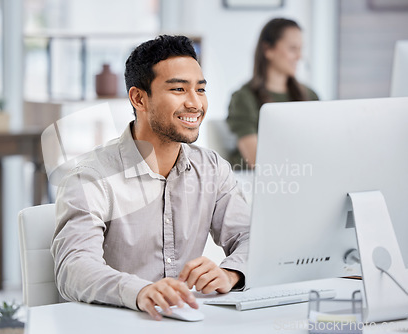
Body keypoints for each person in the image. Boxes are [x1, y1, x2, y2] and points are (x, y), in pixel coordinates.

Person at [51, 35, 250, 321]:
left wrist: (231, 272)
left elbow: (250, 236)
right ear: (138, 98)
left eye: (200, 89)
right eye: (179, 89)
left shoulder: (212, 168)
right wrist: (139, 291)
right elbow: (74, 268)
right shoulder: (90, 177)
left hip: (185, 322)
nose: (195, 103)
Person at [226, 18, 319, 169]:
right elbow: (256, 159)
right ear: (268, 50)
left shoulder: (310, 95)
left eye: (301, 49)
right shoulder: (243, 98)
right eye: (292, 49)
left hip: (302, 177)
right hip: (256, 183)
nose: (299, 56)